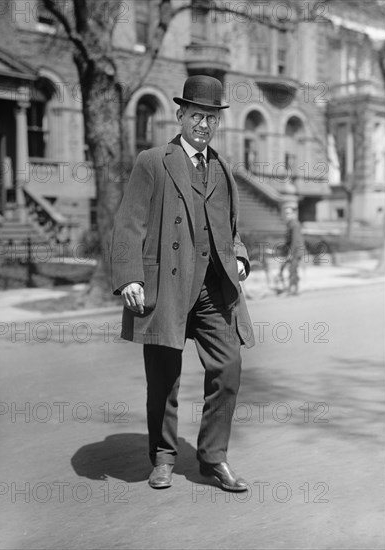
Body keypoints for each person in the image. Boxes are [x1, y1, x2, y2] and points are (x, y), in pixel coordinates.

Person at [111, 75, 255, 492]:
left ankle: (213, 458)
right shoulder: (153, 161)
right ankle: (163, 456)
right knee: (164, 381)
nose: (204, 125)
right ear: (180, 116)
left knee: (228, 368)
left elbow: (231, 230)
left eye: (211, 118)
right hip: (166, 288)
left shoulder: (223, 168)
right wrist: (130, 278)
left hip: (213, 290)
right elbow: (128, 225)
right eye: (197, 115)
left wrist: (241, 257)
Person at [279, 206, 305, 295]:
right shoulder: (290, 223)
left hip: (296, 251)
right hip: (294, 250)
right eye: (286, 213)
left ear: (293, 214)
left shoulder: (294, 224)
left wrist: (290, 253)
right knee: (293, 270)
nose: (287, 215)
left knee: (292, 270)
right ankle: (296, 289)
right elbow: (288, 240)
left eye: (289, 213)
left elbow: (294, 240)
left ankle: (291, 290)